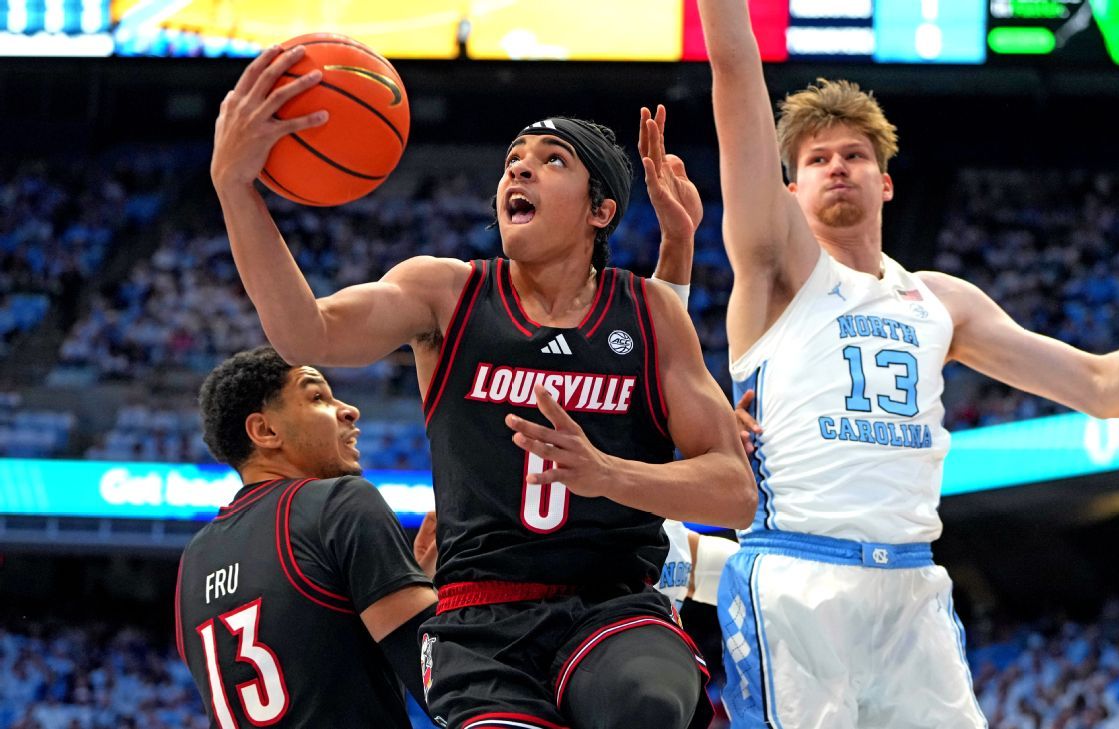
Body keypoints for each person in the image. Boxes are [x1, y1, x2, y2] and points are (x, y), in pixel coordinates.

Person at [695, 2, 1119, 727]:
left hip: (911, 585)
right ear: (790, 190)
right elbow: (735, 71)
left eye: (854, 155)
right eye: (817, 160)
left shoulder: (941, 300)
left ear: (886, 183)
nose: (837, 168)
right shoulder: (774, 267)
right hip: (798, 569)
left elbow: (1104, 388)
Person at [210, 46, 755, 729]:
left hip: (613, 604)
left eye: (553, 159)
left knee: (642, 702)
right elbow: (306, 334)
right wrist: (236, 187)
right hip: (479, 620)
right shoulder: (445, 291)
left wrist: (607, 472)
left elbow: (733, 489)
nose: (519, 167)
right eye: (512, 160)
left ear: (601, 210)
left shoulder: (649, 312)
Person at [175, 346, 439, 728]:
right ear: (265, 431)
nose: (349, 410)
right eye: (317, 396)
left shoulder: (194, 560)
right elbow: (444, 683)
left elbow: (315, 669)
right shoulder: (339, 499)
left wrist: (402, 579)